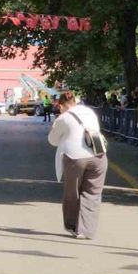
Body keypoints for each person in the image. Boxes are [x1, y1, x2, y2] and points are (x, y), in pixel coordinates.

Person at [48, 90, 108, 240]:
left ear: (61, 105)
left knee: (72, 193)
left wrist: (55, 125)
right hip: (99, 156)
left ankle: (73, 226)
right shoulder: (89, 112)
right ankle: (86, 231)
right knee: (93, 194)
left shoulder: (64, 118)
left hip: (75, 158)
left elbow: (53, 140)